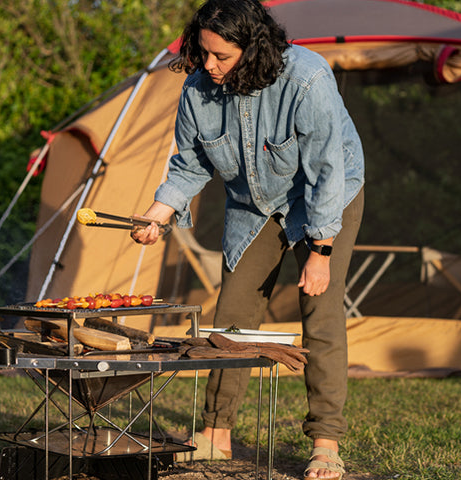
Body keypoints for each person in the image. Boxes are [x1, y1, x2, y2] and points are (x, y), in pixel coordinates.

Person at [131, 0, 363, 478]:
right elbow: (190, 164)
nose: (209, 67)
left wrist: (319, 252)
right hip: (252, 204)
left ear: (252, 48)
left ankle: (325, 441)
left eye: (221, 57)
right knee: (232, 320)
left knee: (319, 314)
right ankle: (215, 435)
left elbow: (325, 170)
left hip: (325, 196)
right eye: (203, 53)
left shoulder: (307, 79)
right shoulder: (198, 89)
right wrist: (159, 213)